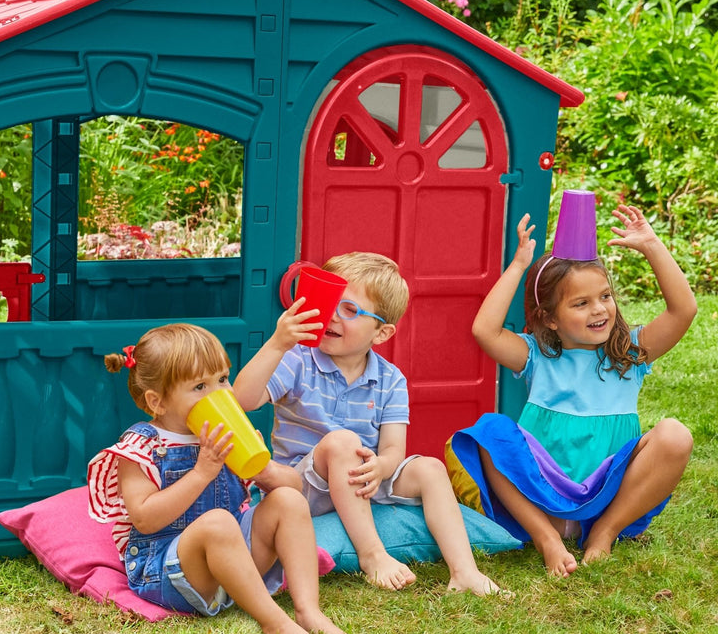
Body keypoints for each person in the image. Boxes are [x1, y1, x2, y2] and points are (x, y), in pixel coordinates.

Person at [233, 252, 504, 596]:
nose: (332, 315)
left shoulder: (391, 379)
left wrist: (381, 467)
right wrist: (277, 343)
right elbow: (242, 400)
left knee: (431, 468)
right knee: (342, 442)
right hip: (303, 487)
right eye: (329, 303)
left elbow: (392, 449)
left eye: (349, 309)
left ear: (381, 332)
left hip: (361, 482)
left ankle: (465, 572)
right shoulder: (298, 359)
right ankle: (372, 555)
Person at [449, 204, 696, 576]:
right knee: (490, 431)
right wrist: (518, 266)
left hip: (608, 501)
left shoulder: (630, 353)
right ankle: (546, 539)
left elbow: (684, 310)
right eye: (581, 303)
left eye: (605, 296)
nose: (599, 309)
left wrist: (651, 245)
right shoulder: (537, 356)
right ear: (549, 318)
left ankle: (603, 534)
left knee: (675, 435)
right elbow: (485, 331)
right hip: (542, 500)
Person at [87, 323, 350, 634]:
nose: (219, 393)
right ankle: (276, 624)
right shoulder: (143, 447)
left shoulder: (225, 433)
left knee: (287, 500)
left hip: (234, 567)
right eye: (200, 386)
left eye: (223, 379)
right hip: (171, 573)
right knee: (218, 522)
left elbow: (295, 487)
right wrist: (201, 473)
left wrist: (264, 469)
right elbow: (144, 518)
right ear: (158, 402)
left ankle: (308, 611)